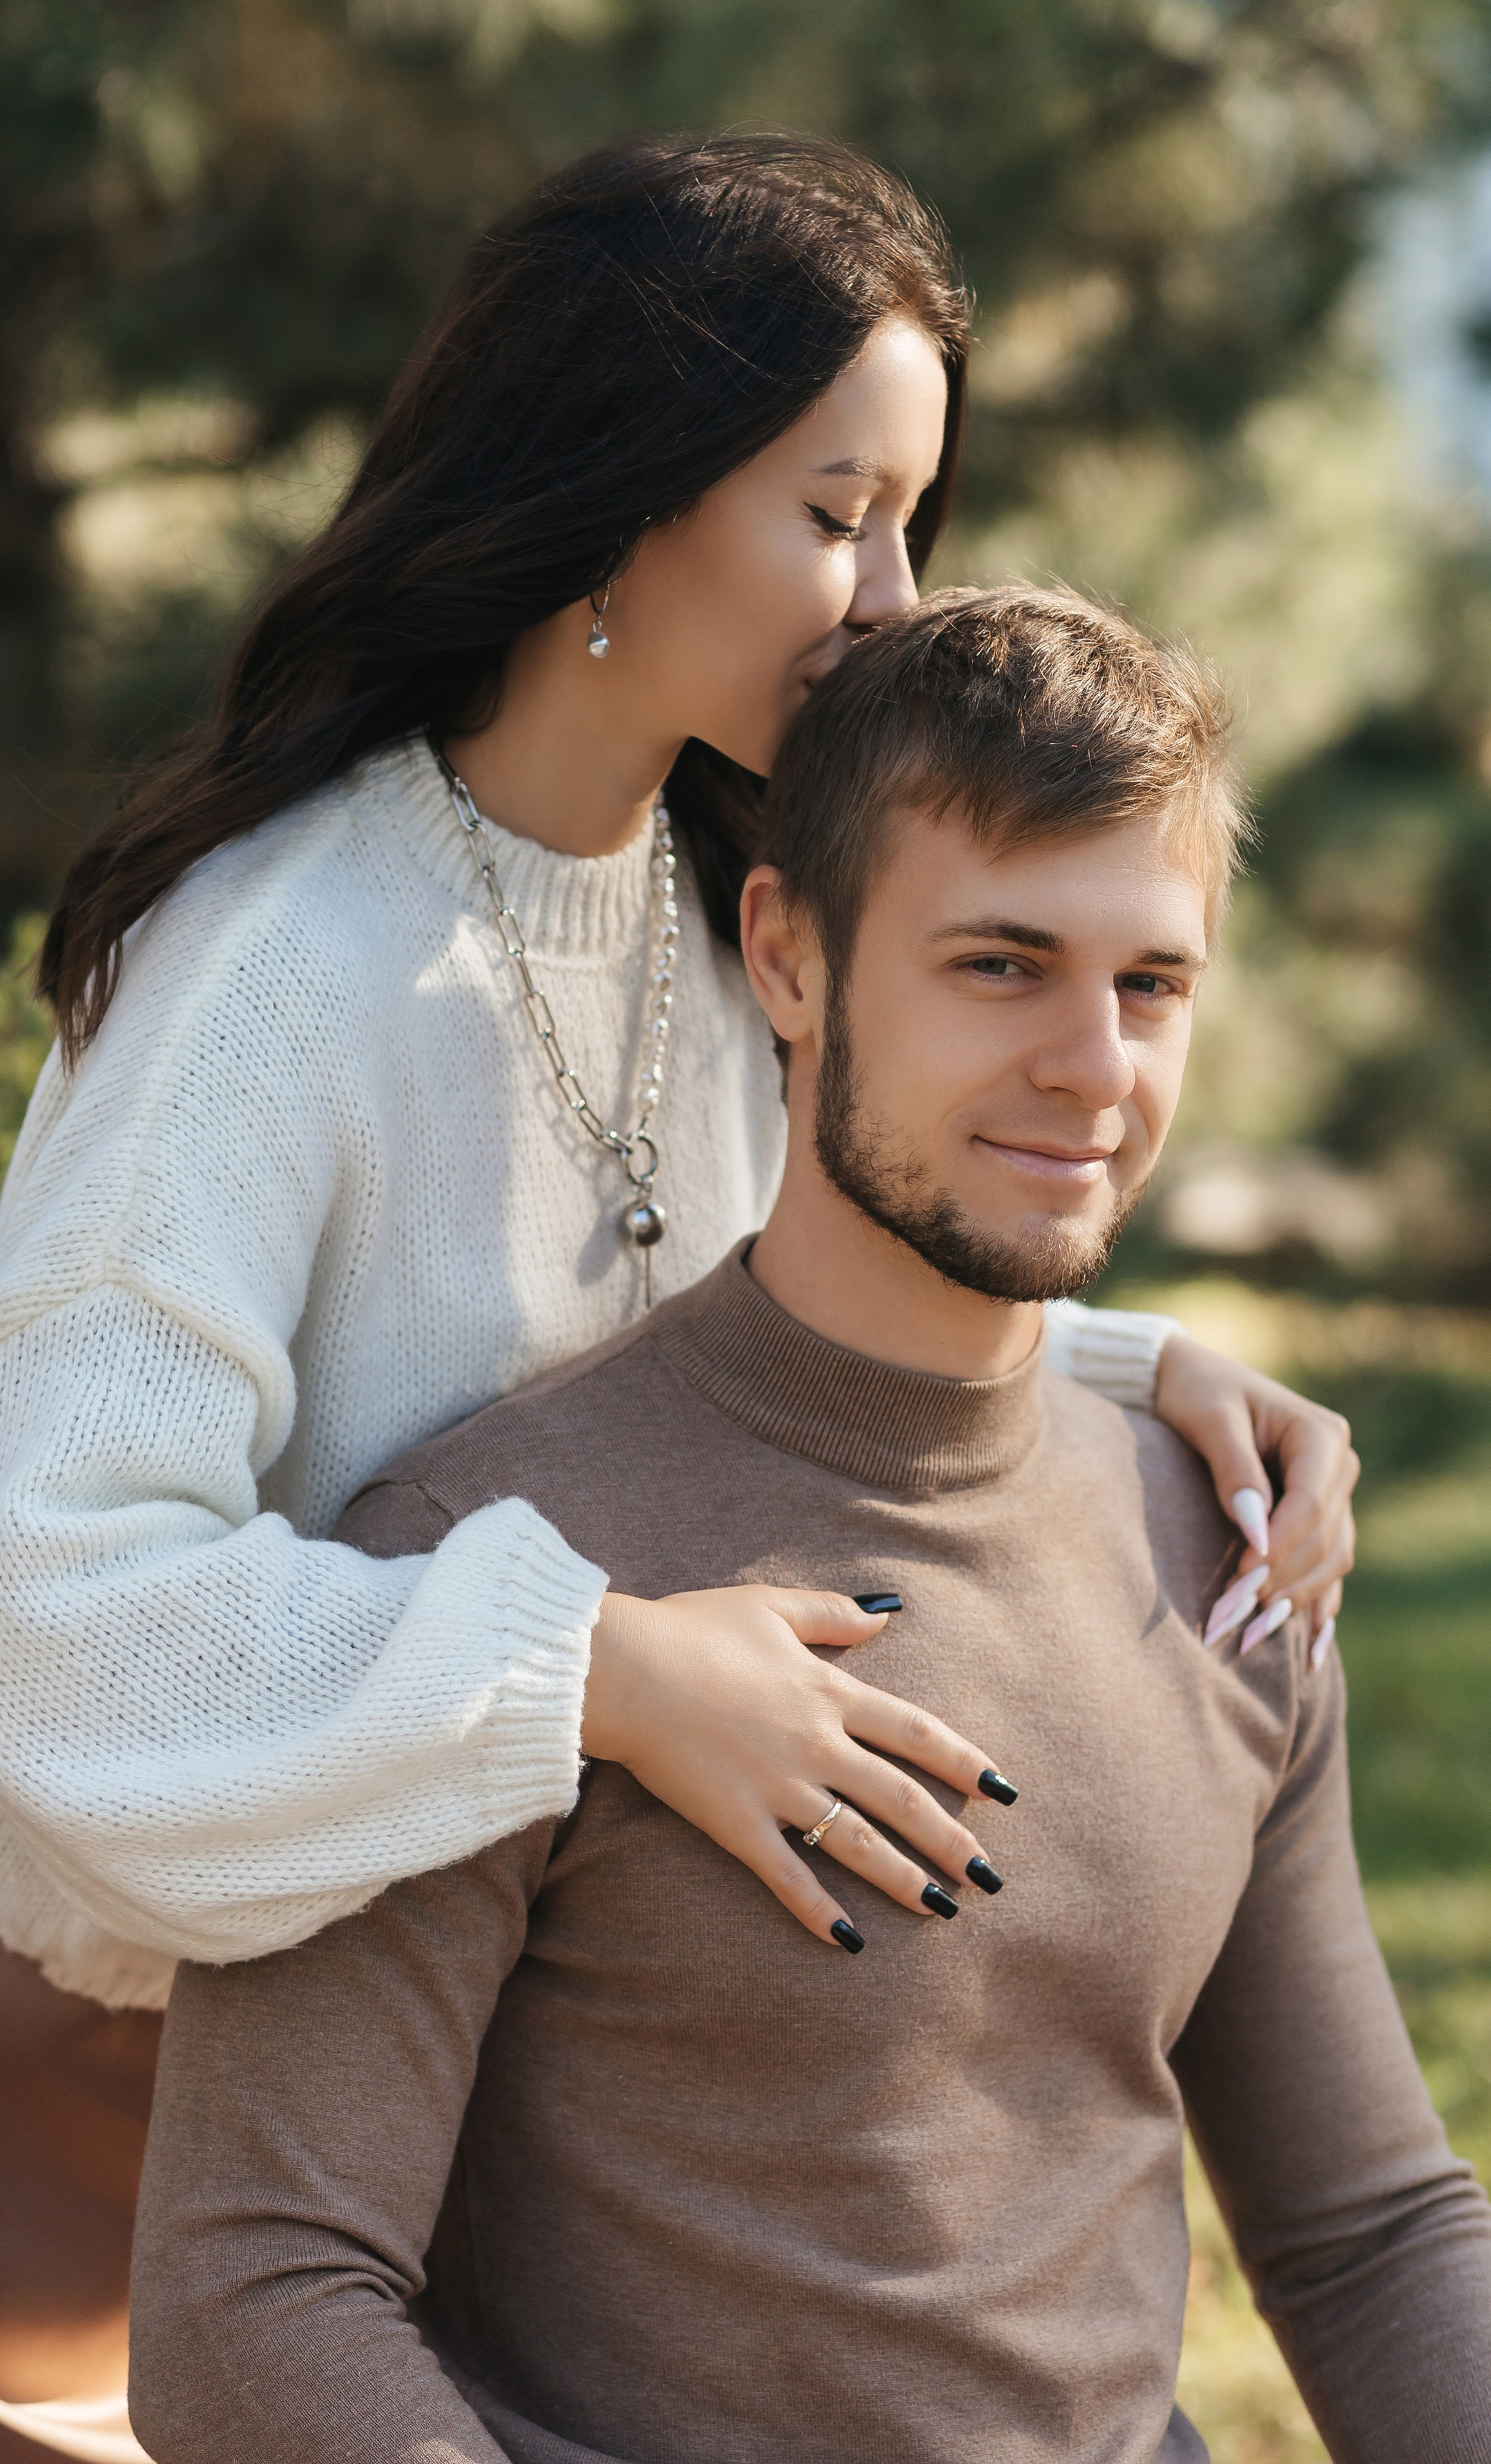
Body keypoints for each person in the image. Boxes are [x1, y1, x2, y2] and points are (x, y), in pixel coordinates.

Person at [0, 140, 1358, 2461]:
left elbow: (733, 1303)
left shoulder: (709, 916)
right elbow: (33, 1598)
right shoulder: (276, 959)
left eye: (912, 519)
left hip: (279, 2038)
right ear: (620, 494)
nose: (892, 601)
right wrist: (603, 1666)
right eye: (839, 514)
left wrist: (1139, 1376)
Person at [129, 589, 1491, 2464]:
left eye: (1152, 984)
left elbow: (1371, 2235)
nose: (1096, 1067)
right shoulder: (488, 1582)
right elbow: (250, 2305)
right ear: (788, 955)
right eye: (1001, 964)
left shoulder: (1229, 1548)